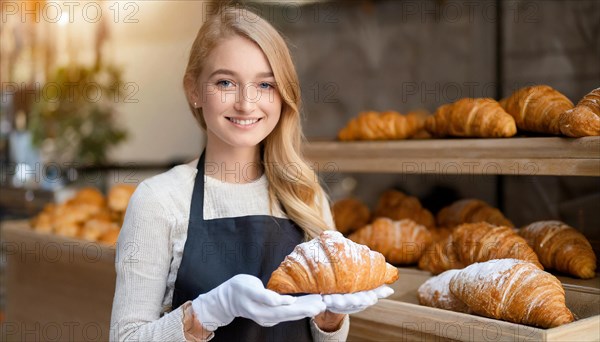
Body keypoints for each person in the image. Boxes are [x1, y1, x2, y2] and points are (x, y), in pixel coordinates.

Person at [110, 6, 392, 341]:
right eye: (226, 82)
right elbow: (125, 337)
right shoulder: (158, 201)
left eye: (265, 85)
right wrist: (205, 313)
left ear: (283, 94)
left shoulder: (304, 194)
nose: (246, 103)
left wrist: (330, 319)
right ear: (194, 90)